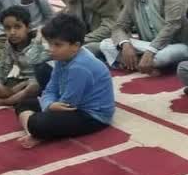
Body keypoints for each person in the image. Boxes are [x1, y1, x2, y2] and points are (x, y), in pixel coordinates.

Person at [14, 14, 114, 149]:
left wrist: (48, 106)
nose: (51, 49)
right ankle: (34, 134)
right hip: (68, 104)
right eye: (50, 43)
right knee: (23, 104)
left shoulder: (80, 67)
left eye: (57, 45)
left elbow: (68, 104)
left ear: (75, 46)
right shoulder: (63, 57)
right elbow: (50, 89)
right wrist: (49, 104)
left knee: (36, 122)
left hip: (92, 115)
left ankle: (36, 131)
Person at [0, 6, 50, 108]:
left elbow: (49, 70)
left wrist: (25, 84)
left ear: (28, 27)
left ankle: (5, 102)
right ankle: (13, 96)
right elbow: (3, 67)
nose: (12, 32)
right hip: (21, 81)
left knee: (33, 87)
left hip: (41, 82)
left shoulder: (39, 42)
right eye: (7, 28)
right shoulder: (9, 44)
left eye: (17, 27)